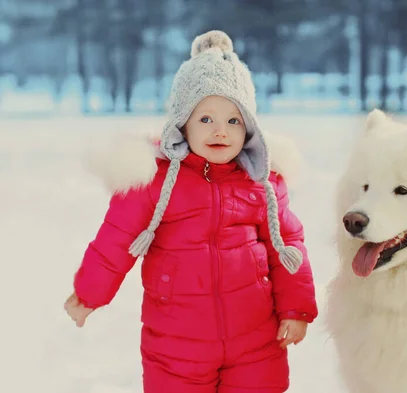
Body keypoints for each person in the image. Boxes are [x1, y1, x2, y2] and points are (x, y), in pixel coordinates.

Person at [64, 30, 318, 393]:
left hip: (255, 339)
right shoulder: (154, 179)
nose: (220, 131)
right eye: (205, 119)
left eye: (234, 120)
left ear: (249, 128)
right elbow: (116, 239)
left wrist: (296, 310)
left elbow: (287, 246)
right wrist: (89, 293)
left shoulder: (262, 182)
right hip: (175, 342)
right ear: (181, 123)